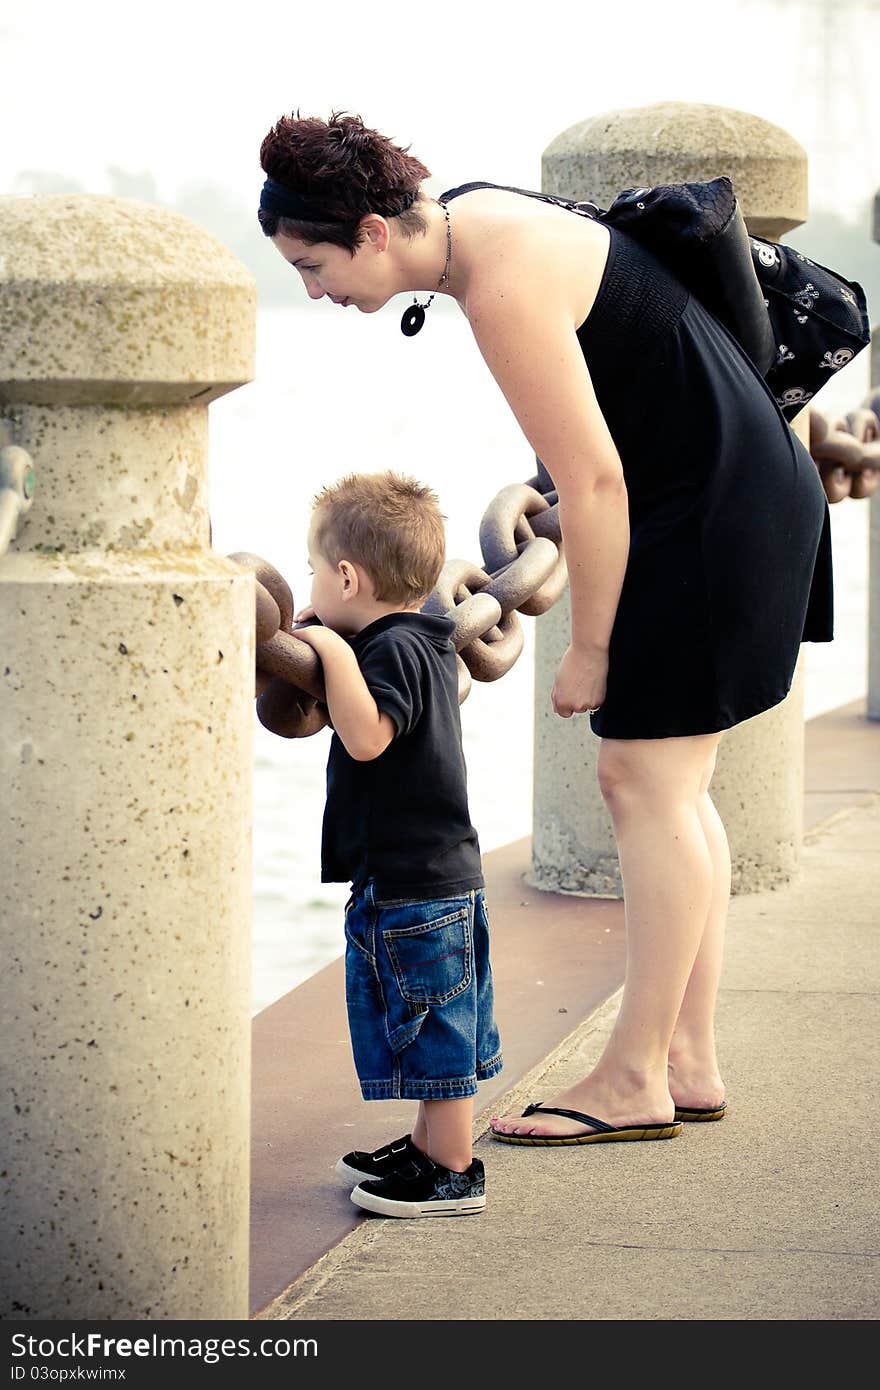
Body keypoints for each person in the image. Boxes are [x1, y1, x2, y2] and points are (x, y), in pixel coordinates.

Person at [257, 111, 833, 1147]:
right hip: (738, 492)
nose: (314, 289)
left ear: (375, 233)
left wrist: (592, 649)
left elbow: (595, 480)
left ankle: (633, 1076)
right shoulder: (477, 214)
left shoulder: (501, 284)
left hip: (704, 516)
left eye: (313, 262)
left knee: (639, 784)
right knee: (673, 790)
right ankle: (685, 1057)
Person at [293, 470, 501, 1214]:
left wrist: (327, 648)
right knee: (430, 1019)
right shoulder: (426, 640)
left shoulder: (388, 652)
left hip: (417, 883)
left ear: (346, 576)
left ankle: (451, 1168)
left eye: (314, 569)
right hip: (430, 874)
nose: (310, 582)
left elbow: (370, 736)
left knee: (436, 1025)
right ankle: (425, 1148)